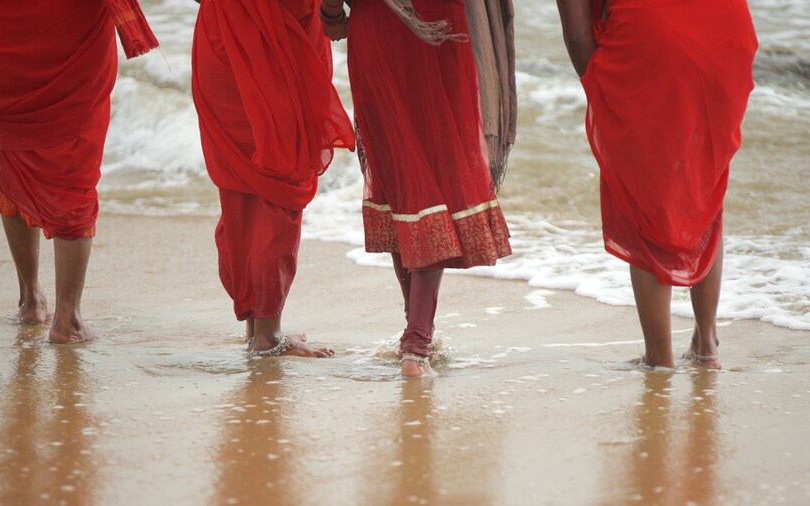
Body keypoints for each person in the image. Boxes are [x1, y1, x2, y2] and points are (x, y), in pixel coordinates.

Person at [556, 0, 758, 368]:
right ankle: (706, 344)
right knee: (702, 184)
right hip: (728, 31)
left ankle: (659, 358)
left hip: (653, 39)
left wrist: (606, 91)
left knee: (645, 196)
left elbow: (576, 37)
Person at [322, 0, 516, 376]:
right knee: (437, 174)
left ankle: (415, 330)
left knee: (400, 175)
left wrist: (332, 16)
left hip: (377, 28)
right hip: (442, 26)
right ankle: (416, 344)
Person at [0, 0, 158, 343]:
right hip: (67, 28)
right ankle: (68, 318)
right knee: (73, 170)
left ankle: (30, 300)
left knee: (12, 156)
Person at [191, 0, 356, 358]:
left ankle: (258, 324)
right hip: (276, 40)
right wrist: (333, 15)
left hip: (221, 37)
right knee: (282, 180)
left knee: (242, 188)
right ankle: (267, 335)